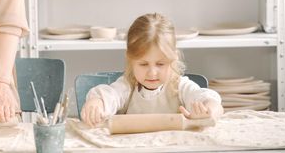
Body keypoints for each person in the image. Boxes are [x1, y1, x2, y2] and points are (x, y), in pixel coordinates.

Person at [81, 13, 223, 127]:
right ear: (131, 60)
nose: (152, 72)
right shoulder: (127, 86)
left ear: (173, 58)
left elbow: (204, 97)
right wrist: (97, 103)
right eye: (143, 64)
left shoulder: (179, 87)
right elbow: (110, 96)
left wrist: (209, 109)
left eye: (160, 64)